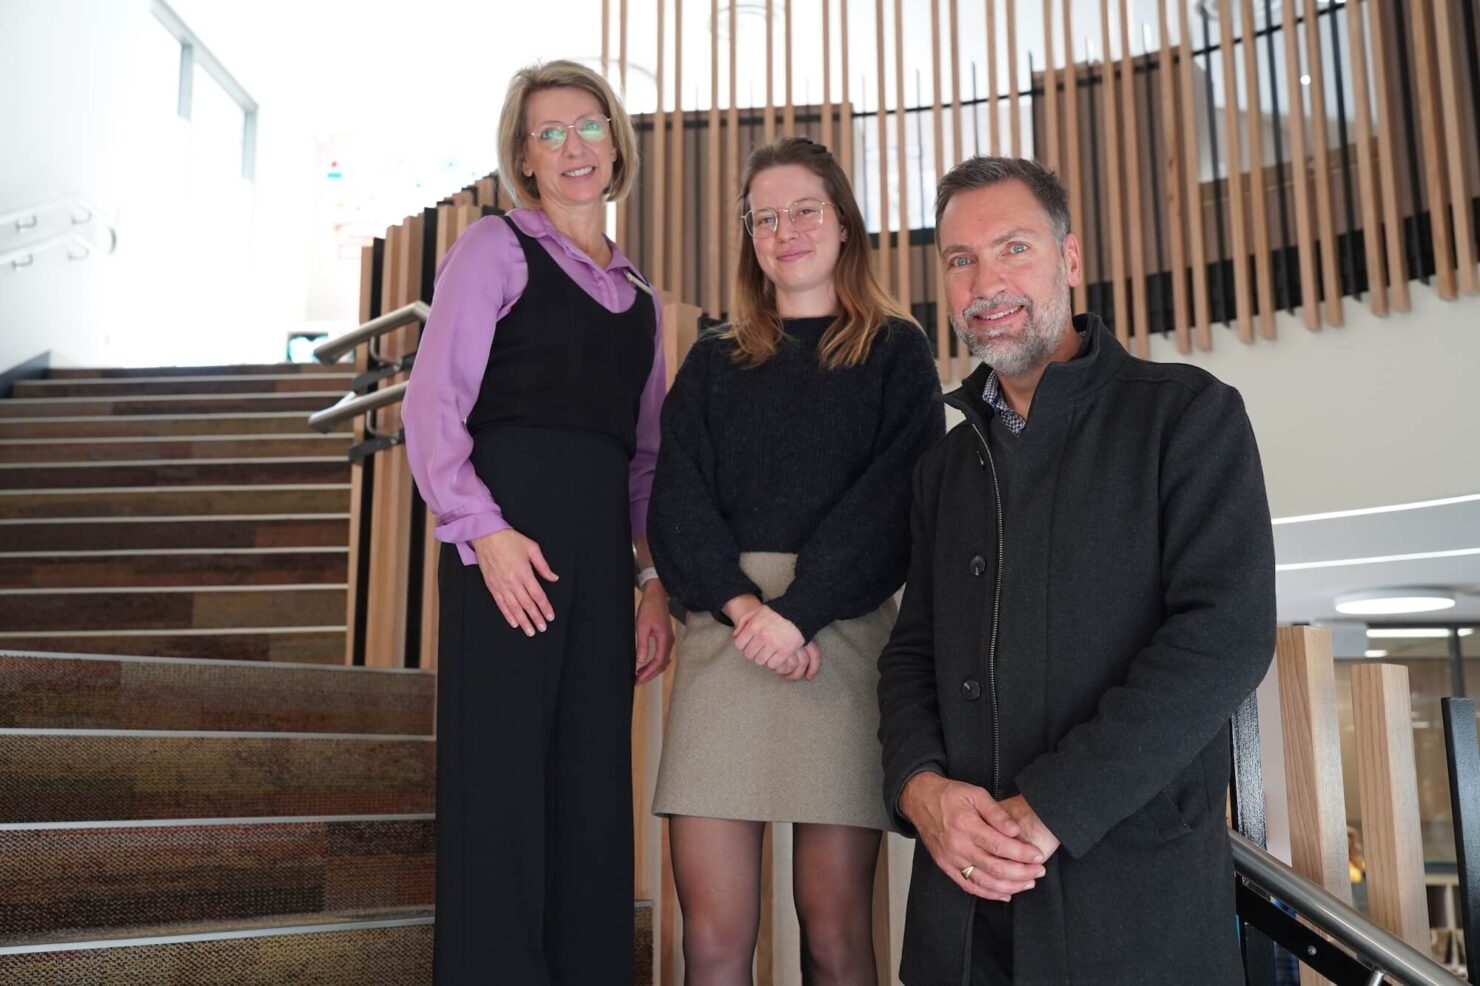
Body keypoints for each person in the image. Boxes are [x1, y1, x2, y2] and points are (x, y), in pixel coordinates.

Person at [877, 156, 1276, 985]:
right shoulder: (941, 469)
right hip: (961, 920)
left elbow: (1225, 637)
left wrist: (1052, 807)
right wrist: (919, 791)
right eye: (960, 260)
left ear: (1069, 259)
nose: (986, 280)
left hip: (1134, 912)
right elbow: (910, 654)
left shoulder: (1188, 415)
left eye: (1012, 248)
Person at [647, 136, 944, 985]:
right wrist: (748, 613)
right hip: (723, 642)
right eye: (765, 216)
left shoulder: (897, 349)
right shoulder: (712, 357)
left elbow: (895, 503)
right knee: (711, 942)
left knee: (837, 935)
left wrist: (799, 613)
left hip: (840, 646)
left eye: (805, 209)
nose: (786, 230)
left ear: (845, 223)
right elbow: (675, 502)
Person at [402, 60, 674, 986]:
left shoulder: (642, 301)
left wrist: (649, 582)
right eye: (549, 133)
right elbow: (433, 407)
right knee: (503, 799)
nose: (572, 148)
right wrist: (483, 530)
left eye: (588, 126)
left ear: (616, 142)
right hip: (503, 555)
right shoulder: (493, 249)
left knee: (594, 802)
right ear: (523, 155)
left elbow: (644, 465)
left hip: (602, 574)